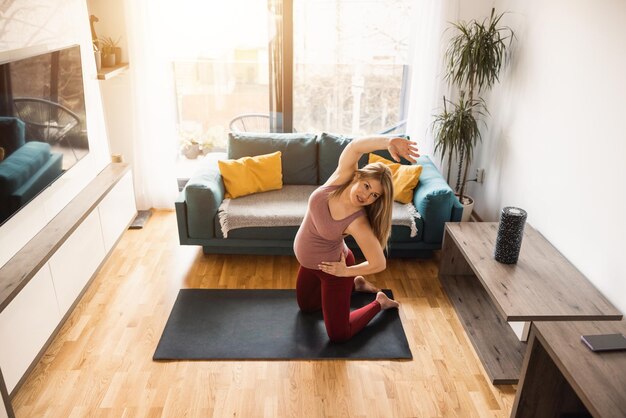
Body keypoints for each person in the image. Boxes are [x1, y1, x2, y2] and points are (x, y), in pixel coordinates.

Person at [294, 136, 420, 342]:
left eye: (374, 196)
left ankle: (379, 302)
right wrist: (388, 142)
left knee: (339, 334)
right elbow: (355, 147)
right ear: (358, 177)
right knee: (306, 307)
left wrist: (346, 272)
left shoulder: (357, 221)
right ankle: (357, 285)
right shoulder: (341, 178)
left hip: (333, 270)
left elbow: (379, 263)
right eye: (367, 186)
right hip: (308, 264)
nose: (366, 196)